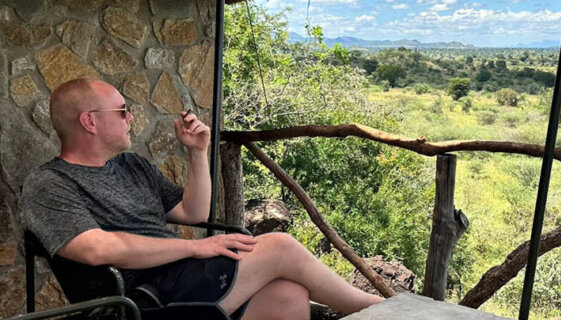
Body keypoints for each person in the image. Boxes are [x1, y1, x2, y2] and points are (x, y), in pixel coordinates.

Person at [19, 78, 384, 320]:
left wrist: (197, 153)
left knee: (287, 296)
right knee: (280, 247)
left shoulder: (132, 166)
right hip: (133, 299)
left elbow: (193, 213)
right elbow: (96, 249)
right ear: (90, 122)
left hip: (177, 279)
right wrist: (196, 249)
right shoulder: (50, 184)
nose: (131, 117)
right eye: (121, 110)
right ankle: (384, 311)